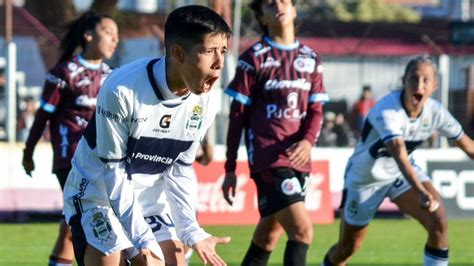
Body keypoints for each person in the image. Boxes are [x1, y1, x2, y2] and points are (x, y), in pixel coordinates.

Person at [62, 5, 232, 266]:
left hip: (149, 199)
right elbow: (114, 172)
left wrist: (191, 230)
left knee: (172, 262)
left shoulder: (205, 101)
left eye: (223, 51)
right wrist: (142, 239)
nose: (220, 63)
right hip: (98, 193)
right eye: (210, 51)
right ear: (177, 52)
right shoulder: (122, 89)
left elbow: (180, 169)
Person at [322, 55, 474, 266]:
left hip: (399, 175)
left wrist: (421, 190)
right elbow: (399, 154)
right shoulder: (388, 110)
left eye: (425, 80)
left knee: (438, 221)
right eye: (413, 78)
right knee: (348, 248)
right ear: (404, 81)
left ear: (434, 86)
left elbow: (468, 146)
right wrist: (421, 191)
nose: (418, 85)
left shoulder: (436, 112)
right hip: (365, 179)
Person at [221, 0, 329, 265]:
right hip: (269, 159)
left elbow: (316, 110)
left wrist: (307, 141)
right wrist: (230, 168)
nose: (278, 5)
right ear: (262, 17)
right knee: (302, 231)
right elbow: (237, 118)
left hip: (299, 159)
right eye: (270, 3)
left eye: (284, 1)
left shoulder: (311, 58)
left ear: (294, 10)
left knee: (267, 237)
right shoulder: (254, 58)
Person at [21, 11, 118, 266]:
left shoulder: (114, 76)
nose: (114, 39)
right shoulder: (64, 72)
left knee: (78, 223)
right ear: (88, 36)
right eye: (108, 31)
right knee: (81, 222)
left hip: (102, 161)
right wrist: (28, 152)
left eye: (117, 35)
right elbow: (43, 115)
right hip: (70, 158)